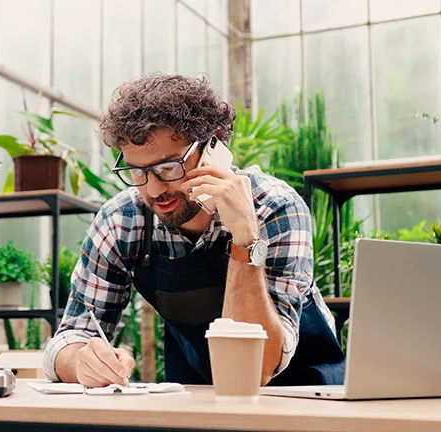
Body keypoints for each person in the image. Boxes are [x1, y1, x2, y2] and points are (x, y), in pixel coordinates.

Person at [42, 73, 345, 387]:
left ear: (213, 144)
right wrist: (81, 362)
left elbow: (256, 370)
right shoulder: (123, 221)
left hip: (304, 395)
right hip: (198, 393)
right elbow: (72, 336)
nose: (155, 189)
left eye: (169, 167)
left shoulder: (275, 208)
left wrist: (245, 239)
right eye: (137, 171)